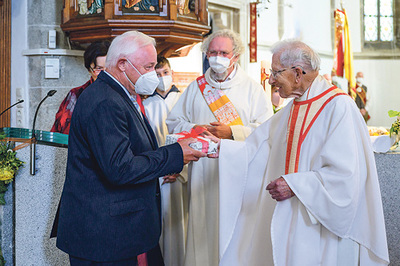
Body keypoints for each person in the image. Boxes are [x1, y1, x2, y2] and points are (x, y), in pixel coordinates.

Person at [215, 39, 389, 265]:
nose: (270, 80)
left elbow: (347, 176)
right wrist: (220, 149)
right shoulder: (295, 106)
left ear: (297, 73)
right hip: (291, 219)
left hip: (321, 226)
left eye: (275, 72)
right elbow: (257, 147)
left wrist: (296, 185)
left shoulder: (339, 106)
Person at [54, 31, 206, 265]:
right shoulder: (106, 100)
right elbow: (120, 168)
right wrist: (175, 154)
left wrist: (166, 163)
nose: (153, 74)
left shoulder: (119, 94)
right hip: (104, 235)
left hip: (114, 229)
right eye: (148, 66)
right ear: (123, 65)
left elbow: (132, 152)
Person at [166, 29, 273, 265]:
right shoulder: (197, 87)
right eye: (212, 52)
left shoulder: (252, 88)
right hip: (202, 174)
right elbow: (174, 122)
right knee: (202, 231)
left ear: (235, 56)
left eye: (223, 52)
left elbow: (266, 130)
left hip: (237, 173)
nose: (217, 57)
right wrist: (197, 127)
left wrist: (232, 132)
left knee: (234, 233)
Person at [143, 56, 187, 266]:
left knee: (182, 225)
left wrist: (181, 166)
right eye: (157, 74)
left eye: (165, 73)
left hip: (182, 170)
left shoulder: (184, 99)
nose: (162, 78)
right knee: (160, 224)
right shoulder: (144, 104)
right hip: (156, 170)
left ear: (172, 72)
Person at [50, 40, 110, 134]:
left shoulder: (124, 93)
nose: (105, 74)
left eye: (109, 68)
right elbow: (62, 130)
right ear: (89, 69)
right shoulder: (77, 94)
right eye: (99, 69)